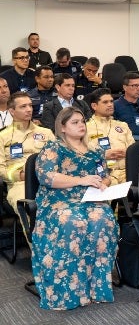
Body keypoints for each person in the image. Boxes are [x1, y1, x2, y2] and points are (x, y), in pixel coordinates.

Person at [30, 106, 118, 310]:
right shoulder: (54, 148)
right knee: (73, 221)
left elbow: (104, 174)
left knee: (103, 219)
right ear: (62, 127)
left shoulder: (95, 151)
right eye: (75, 122)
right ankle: (67, 292)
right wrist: (81, 180)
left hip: (89, 198)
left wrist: (104, 182)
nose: (81, 125)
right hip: (58, 200)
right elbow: (47, 177)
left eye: (82, 121)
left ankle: (96, 289)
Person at [0, 92, 56, 214]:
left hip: (47, 181)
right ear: (12, 111)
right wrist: (19, 176)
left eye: (30, 105)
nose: (29, 109)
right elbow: (1, 168)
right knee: (30, 207)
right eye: (23, 106)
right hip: (20, 184)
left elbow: (58, 159)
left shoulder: (46, 133)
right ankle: (32, 233)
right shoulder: (2, 136)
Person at [86, 88, 134, 185]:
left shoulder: (122, 125)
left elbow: (133, 151)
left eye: (111, 101)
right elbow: (80, 155)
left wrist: (128, 153)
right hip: (102, 177)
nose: (110, 104)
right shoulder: (85, 128)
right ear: (94, 106)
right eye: (105, 102)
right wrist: (102, 155)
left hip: (127, 174)